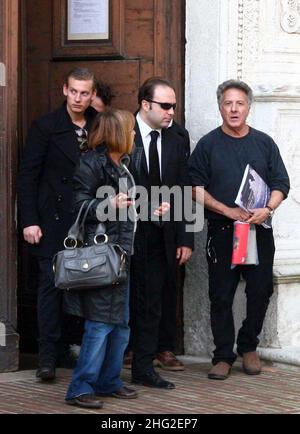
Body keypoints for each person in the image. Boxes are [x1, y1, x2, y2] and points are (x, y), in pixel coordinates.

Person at [189, 79, 290, 380]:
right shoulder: (207, 144)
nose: (233, 109)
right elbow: (194, 188)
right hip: (223, 232)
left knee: (260, 291)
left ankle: (248, 346)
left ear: (248, 107)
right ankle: (222, 355)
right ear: (220, 106)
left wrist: (268, 209)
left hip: (258, 231)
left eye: (239, 103)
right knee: (220, 295)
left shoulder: (264, 143)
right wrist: (227, 210)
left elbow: (281, 184)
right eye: (227, 103)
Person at [18, 67, 98, 381]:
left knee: (88, 288)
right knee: (50, 289)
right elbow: (28, 176)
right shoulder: (45, 126)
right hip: (52, 222)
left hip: (90, 221)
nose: (79, 98)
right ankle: (47, 358)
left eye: (85, 93)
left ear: (93, 95)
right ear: (64, 89)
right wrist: (29, 221)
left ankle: (77, 352)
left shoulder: (99, 125)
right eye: (74, 91)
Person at [64, 109, 138, 409]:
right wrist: (108, 203)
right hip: (101, 256)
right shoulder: (92, 163)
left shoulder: (123, 165)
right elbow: (78, 204)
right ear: (118, 134)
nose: (134, 135)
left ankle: (109, 381)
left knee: (120, 324)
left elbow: (127, 207)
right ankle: (80, 388)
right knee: (99, 324)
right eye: (130, 130)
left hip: (121, 254)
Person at [130, 77, 194, 389]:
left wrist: (185, 236)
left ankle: (144, 368)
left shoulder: (178, 136)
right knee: (117, 302)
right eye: (165, 106)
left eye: (174, 106)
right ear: (145, 105)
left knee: (153, 302)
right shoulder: (120, 132)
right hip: (124, 234)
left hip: (163, 236)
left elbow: (184, 188)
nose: (171, 112)